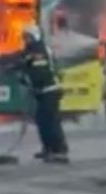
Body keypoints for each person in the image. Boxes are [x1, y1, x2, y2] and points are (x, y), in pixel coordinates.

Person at [20, 24, 70, 163]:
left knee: (51, 122)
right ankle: (48, 148)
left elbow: (39, 73)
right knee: (42, 121)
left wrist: (27, 80)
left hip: (49, 90)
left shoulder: (39, 51)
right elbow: (24, 63)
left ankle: (60, 151)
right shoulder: (31, 51)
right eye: (24, 38)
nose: (26, 40)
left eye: (28, 37)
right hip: (42, 92)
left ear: (34, 36)